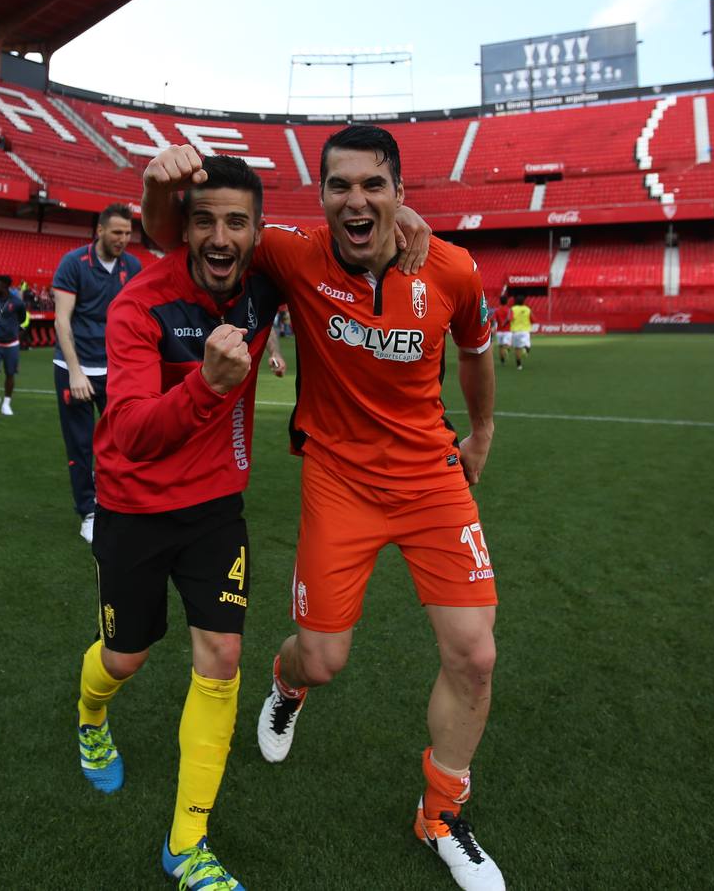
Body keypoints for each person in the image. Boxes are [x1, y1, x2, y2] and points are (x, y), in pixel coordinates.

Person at [143, 128, 503, 891]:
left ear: (400, 192)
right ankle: (287, 686)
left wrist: (481, 431)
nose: (355, 199)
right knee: (321, 660)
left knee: (475, 656)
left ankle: (441, 814)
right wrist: (159, 184)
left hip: (431, 479)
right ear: (321, 197)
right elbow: (189, 237)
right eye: (339, 186)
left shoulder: (451, 268)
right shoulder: (290, 254)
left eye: (373, 185)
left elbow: (475, 351)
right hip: (338, 480)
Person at [76, 156, 284, 891]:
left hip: (215, 507)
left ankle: (186, 843)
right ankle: (90, 718)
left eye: (236, 222)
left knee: (222, 655)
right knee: (124, 658)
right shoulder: (141, 303)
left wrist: (406, 228)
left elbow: (345, 250)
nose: (221, 237)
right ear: (182, 230)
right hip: (133, 504)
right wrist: (207, 386)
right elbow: (131, 433)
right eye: (204, 222)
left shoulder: (266, 284)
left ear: (258, 231)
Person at [51, 203, 142, 544]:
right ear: (100, 231)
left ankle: (119, 502)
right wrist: (76, 373)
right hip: (74, 368)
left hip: (115, 369)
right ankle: (88, 512)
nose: (123, 239)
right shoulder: (73, 263)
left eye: (128, 233)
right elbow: (62, 320)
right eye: (117, 232)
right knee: (80, 444)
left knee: (125, 440)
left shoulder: (132, 266)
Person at [0, 275, 26, 415]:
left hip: (11, 343)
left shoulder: (17, 303)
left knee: (10, 374)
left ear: (4, 286)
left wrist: (11, 327)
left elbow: (22, 318)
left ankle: (6, 403)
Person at [510, 295, 532, 370]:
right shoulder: (527, 309)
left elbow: (510, 318)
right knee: (527, 346)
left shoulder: (513, 309)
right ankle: (525, 349)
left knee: (517, 348)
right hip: (525, 331)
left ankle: (519, 365)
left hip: (515, 331)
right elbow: (532, 319)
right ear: (523, 301)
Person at [491, 296, 513, 366]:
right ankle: (506, 350)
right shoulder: (509, 310)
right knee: (507, 345)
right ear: (507, 301)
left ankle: (502, 361)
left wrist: (493, 328)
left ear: (500, 301)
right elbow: (510, 319)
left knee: (500, 346)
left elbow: (493, 319)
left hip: (499, 331)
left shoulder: (497, 310)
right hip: (507, 331)